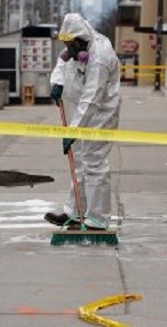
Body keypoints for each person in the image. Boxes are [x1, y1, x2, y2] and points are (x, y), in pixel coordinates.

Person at [46, 13, 121, 230]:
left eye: (71, 45)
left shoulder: (99, 57)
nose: (68, 50)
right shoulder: (77, 46)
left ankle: (97, 218)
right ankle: (75, 212)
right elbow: (62, 61)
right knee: (78, 159)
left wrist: (73, 130)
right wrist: (57, 81)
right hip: (80, 109)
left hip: (100, 113)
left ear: (80, 40)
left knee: (94, 161)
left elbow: (92, 97)